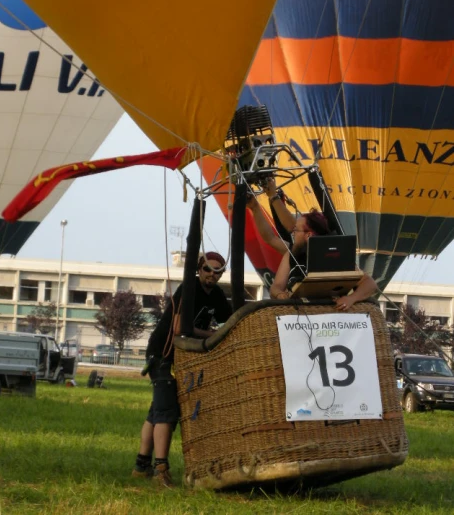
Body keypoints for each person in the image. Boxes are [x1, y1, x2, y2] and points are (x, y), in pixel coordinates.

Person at [132, 251, 232, 486]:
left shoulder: (217, 295)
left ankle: (140, 467)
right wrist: (213, 336)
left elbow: (230, 320)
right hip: (163, 353)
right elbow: (178, 328)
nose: (212, 274)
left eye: (217, 270)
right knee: (167, 414)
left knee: (156, 412)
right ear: (199, 269)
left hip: (178, 357)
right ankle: (161, 470)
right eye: (207, 269)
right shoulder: (188, 289)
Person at [247, 178, 378, 310]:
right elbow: (276, 286)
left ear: (308, 235)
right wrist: (280, 295)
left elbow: (370, 284)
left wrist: (351, 299)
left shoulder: (335, 255)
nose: (293, 233)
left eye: (296, 230)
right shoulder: (292, 253)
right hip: (299, 317)